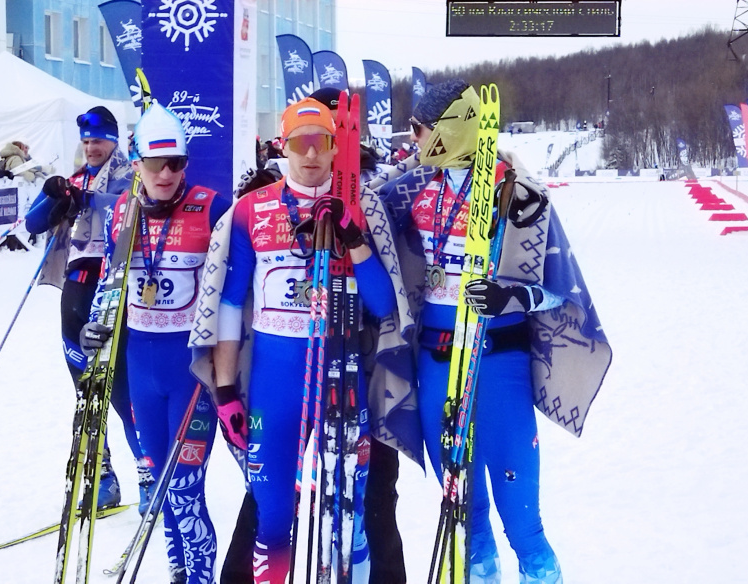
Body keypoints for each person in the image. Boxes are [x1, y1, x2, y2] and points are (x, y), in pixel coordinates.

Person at [378, 80, 612, 584]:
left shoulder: (519, 192)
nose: (412, 140)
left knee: (523, 523)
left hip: (499, 364)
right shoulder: (413, 188)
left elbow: (562, 290)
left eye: (420, 129)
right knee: (467, 519)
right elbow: (356, 214)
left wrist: (515, 296)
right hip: (437, 365)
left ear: (448, 130)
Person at [191, 97, 421, 584]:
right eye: (301, 143)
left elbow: (384, 307)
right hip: (276, 387)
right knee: (272, 519)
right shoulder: (251, 210)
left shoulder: (361, 205)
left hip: (343, 382)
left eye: (322, 143)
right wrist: (227, 389)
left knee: (349, 521)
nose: (312, 154)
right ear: (284, 146)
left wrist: (356, 240)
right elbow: (230, 304)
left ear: (338, 147)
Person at [80, 104, 230, 583]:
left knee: (184, 487)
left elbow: (236, 291)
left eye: (177, 163)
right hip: (141, 366)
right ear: (136, 161)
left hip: (190, 371)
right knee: (162, 489)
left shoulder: (211, 206)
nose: (166, 173)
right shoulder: (122, 209)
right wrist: (96, 322)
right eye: (155, 163)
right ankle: (178, 573)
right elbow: (110, 277)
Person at [25, 105, 145, 510]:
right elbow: (32, 224)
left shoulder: (132, 174)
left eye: (99, 140)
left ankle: (148, 476)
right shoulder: (76, 177)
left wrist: (87, 197)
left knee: (123, 395)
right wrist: (53, 194)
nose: (92, 147)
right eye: (87, 141)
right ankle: (103, 479)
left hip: (113, 290)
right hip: (74, 292)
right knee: (86, 394)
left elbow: (129, 207)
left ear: (114, 140)